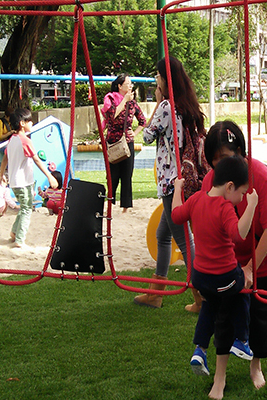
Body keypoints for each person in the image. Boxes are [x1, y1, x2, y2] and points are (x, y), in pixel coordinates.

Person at [202, 121, 267, 400]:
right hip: (227, 262)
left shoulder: (259, 173)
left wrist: (249, 268)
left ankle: (255, 365)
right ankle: (220, 376)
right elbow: (206, 224)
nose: (218, 168)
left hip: (262, 257)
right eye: (214, 162)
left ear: (241, 153)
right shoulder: (211, 181)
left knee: (261, 318)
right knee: (222, 319)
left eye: (224, 159)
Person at [171, 156, 258, 378]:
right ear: (229, 187)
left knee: (210, 306)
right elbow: (239, 234)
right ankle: (242, 340)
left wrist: (178, 189)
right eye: (241, 193)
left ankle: (199, 349)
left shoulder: (197, 199)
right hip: (225, 276)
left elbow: (176, 214)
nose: (241, 199)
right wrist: (252, 206)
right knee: (243, 289)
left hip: (200, 277)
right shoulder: (225, 207)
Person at [134, 56, 204, 310]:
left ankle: (201, 296)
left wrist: (158, 101)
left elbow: (148, 135)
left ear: (166, 78)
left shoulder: (166, 106)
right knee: (163, 235)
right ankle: (156, 294)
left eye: (158, 75)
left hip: (171, 182)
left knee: (184, 241)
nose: (156, 79)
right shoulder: (186, 106)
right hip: (183, 178)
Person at [0, 108, 59, 248]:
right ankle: (20, 239)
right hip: (23, 182)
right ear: (22, 123)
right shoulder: (25, 141)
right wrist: (50, 176)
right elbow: (37, 160)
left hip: (16, 182)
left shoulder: (12, 140)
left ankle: (14, 232)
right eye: (29, 120)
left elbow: (4, 159)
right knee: (26, 209)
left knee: (24, 207)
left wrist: (2, 175)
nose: (32, 123)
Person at [101, 74, 147, 213]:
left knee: (127, 175)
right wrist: (125, 100)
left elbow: (143, 121)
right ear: (120, 86)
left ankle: (126, 206)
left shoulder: (133, 103)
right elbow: (111, 116)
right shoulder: (110, 99)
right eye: (128, 83)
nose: (131, 86)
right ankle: (110, 202)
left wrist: (135, 132)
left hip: (127, 142)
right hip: (113, 141)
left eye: (131, 83)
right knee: (112, 175)